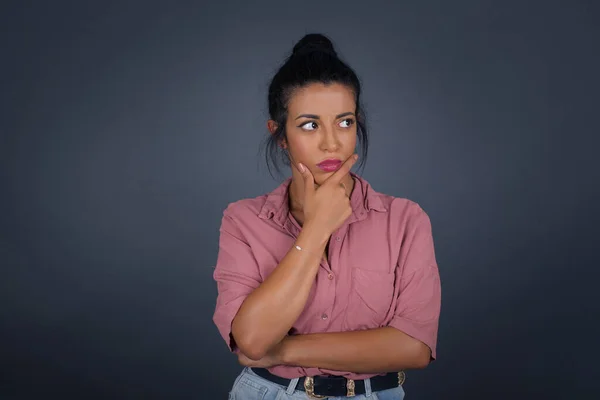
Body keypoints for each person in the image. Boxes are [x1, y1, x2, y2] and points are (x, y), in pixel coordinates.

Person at [212, 33, 441, 400]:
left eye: (345, 122)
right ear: (280, 134)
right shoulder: (243, 220)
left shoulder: (405, 220)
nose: (332, 142)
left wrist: (284, 350)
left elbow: (414, 348)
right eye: (309, 125)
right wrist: (316, 229)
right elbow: (252, 340)